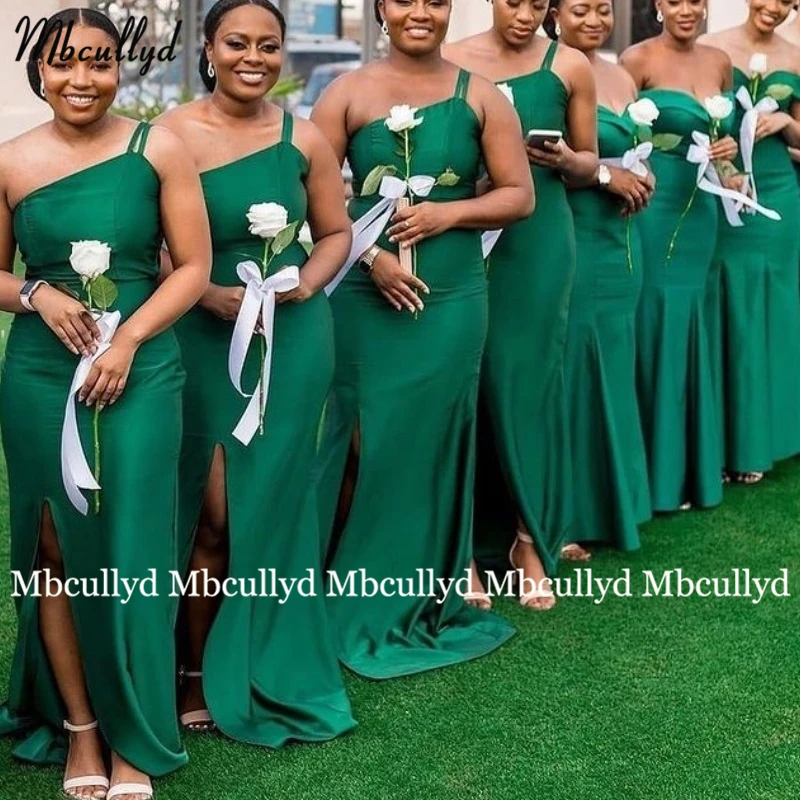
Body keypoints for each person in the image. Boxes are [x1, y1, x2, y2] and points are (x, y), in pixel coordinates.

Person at [0, 9, 210, 800]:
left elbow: (192, 267)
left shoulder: (157, 147)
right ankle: (82, 730)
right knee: (53, 546)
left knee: (135, 549)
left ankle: (136, 733)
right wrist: (34, 293)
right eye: (63, 64)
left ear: (120, 68)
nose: (80, 79)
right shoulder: (11, 161)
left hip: (142, 373)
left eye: (97, 62)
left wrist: (127, 342)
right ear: (39, 71)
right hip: (38, 376)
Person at [311, 0, 531, 677]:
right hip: (361, 290)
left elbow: (519, 195)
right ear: (382, 8)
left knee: (434, 432)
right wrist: (371, 255)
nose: (421, 12)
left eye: (436, 0)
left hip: (452, 296)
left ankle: (433, 578)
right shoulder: (345, 92)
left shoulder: (481, 95)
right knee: (361, 434)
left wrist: (447, 214)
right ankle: (341, 579)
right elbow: (308, 197)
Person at [156, 0, 356, 745]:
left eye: (268, 46)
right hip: (202, 339)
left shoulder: (302, 137)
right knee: (212, 512)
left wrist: (304, 283)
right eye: (236, 43)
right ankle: (192, 669)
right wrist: (207, 294)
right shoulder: (170, 136)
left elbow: (334, 234)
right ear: (208, 48)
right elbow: (154, 248)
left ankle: (268, 660)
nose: (254, 57)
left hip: (294, 339)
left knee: (272, 506)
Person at [445, 0, 597, 607]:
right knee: (461, 383)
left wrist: (566, 161)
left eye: (540, 3)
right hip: (464, 238)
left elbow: (590, 162)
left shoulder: (571, 65)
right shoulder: (453, 62)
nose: (527, 13)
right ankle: (459, 548)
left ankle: (527, 539)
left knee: (526, 384)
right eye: (515, 0)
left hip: (538, 244)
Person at [620, 0, 739, 513]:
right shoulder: (635, 60)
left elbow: (726, 138)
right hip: (652, 209)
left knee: (692, 321)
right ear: (658, 7)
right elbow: (621, 139)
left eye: (697, 0)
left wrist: (730, 150)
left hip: (702, 213)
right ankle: (649, 470)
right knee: (652, 322)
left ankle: (691, 466)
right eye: (675, 0)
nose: (687, 9)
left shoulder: (719, 63)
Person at [547, 0, 652, 552]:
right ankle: (564, 513)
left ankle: (618, 503)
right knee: (572, 366)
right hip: (574, 232)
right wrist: (609, 174)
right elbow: (545, 160)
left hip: (622, 241)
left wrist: (642, 168)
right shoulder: (552, 69)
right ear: (556, 14)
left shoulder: (619, 74)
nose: (594, 20)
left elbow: (633, 146)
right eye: (580, 10)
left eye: (603, 10)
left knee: (612, 359)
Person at [699, 1, 800, 485]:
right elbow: (704, 128)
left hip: (779, 191)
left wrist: (787, 125)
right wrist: (725, 170)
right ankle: (725, 440)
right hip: (727, 192)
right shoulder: (715, 48)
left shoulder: (796, 55)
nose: (776, 8)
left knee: (774, 309)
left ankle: (769, 438)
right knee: (729, 304)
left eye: (789, 2)